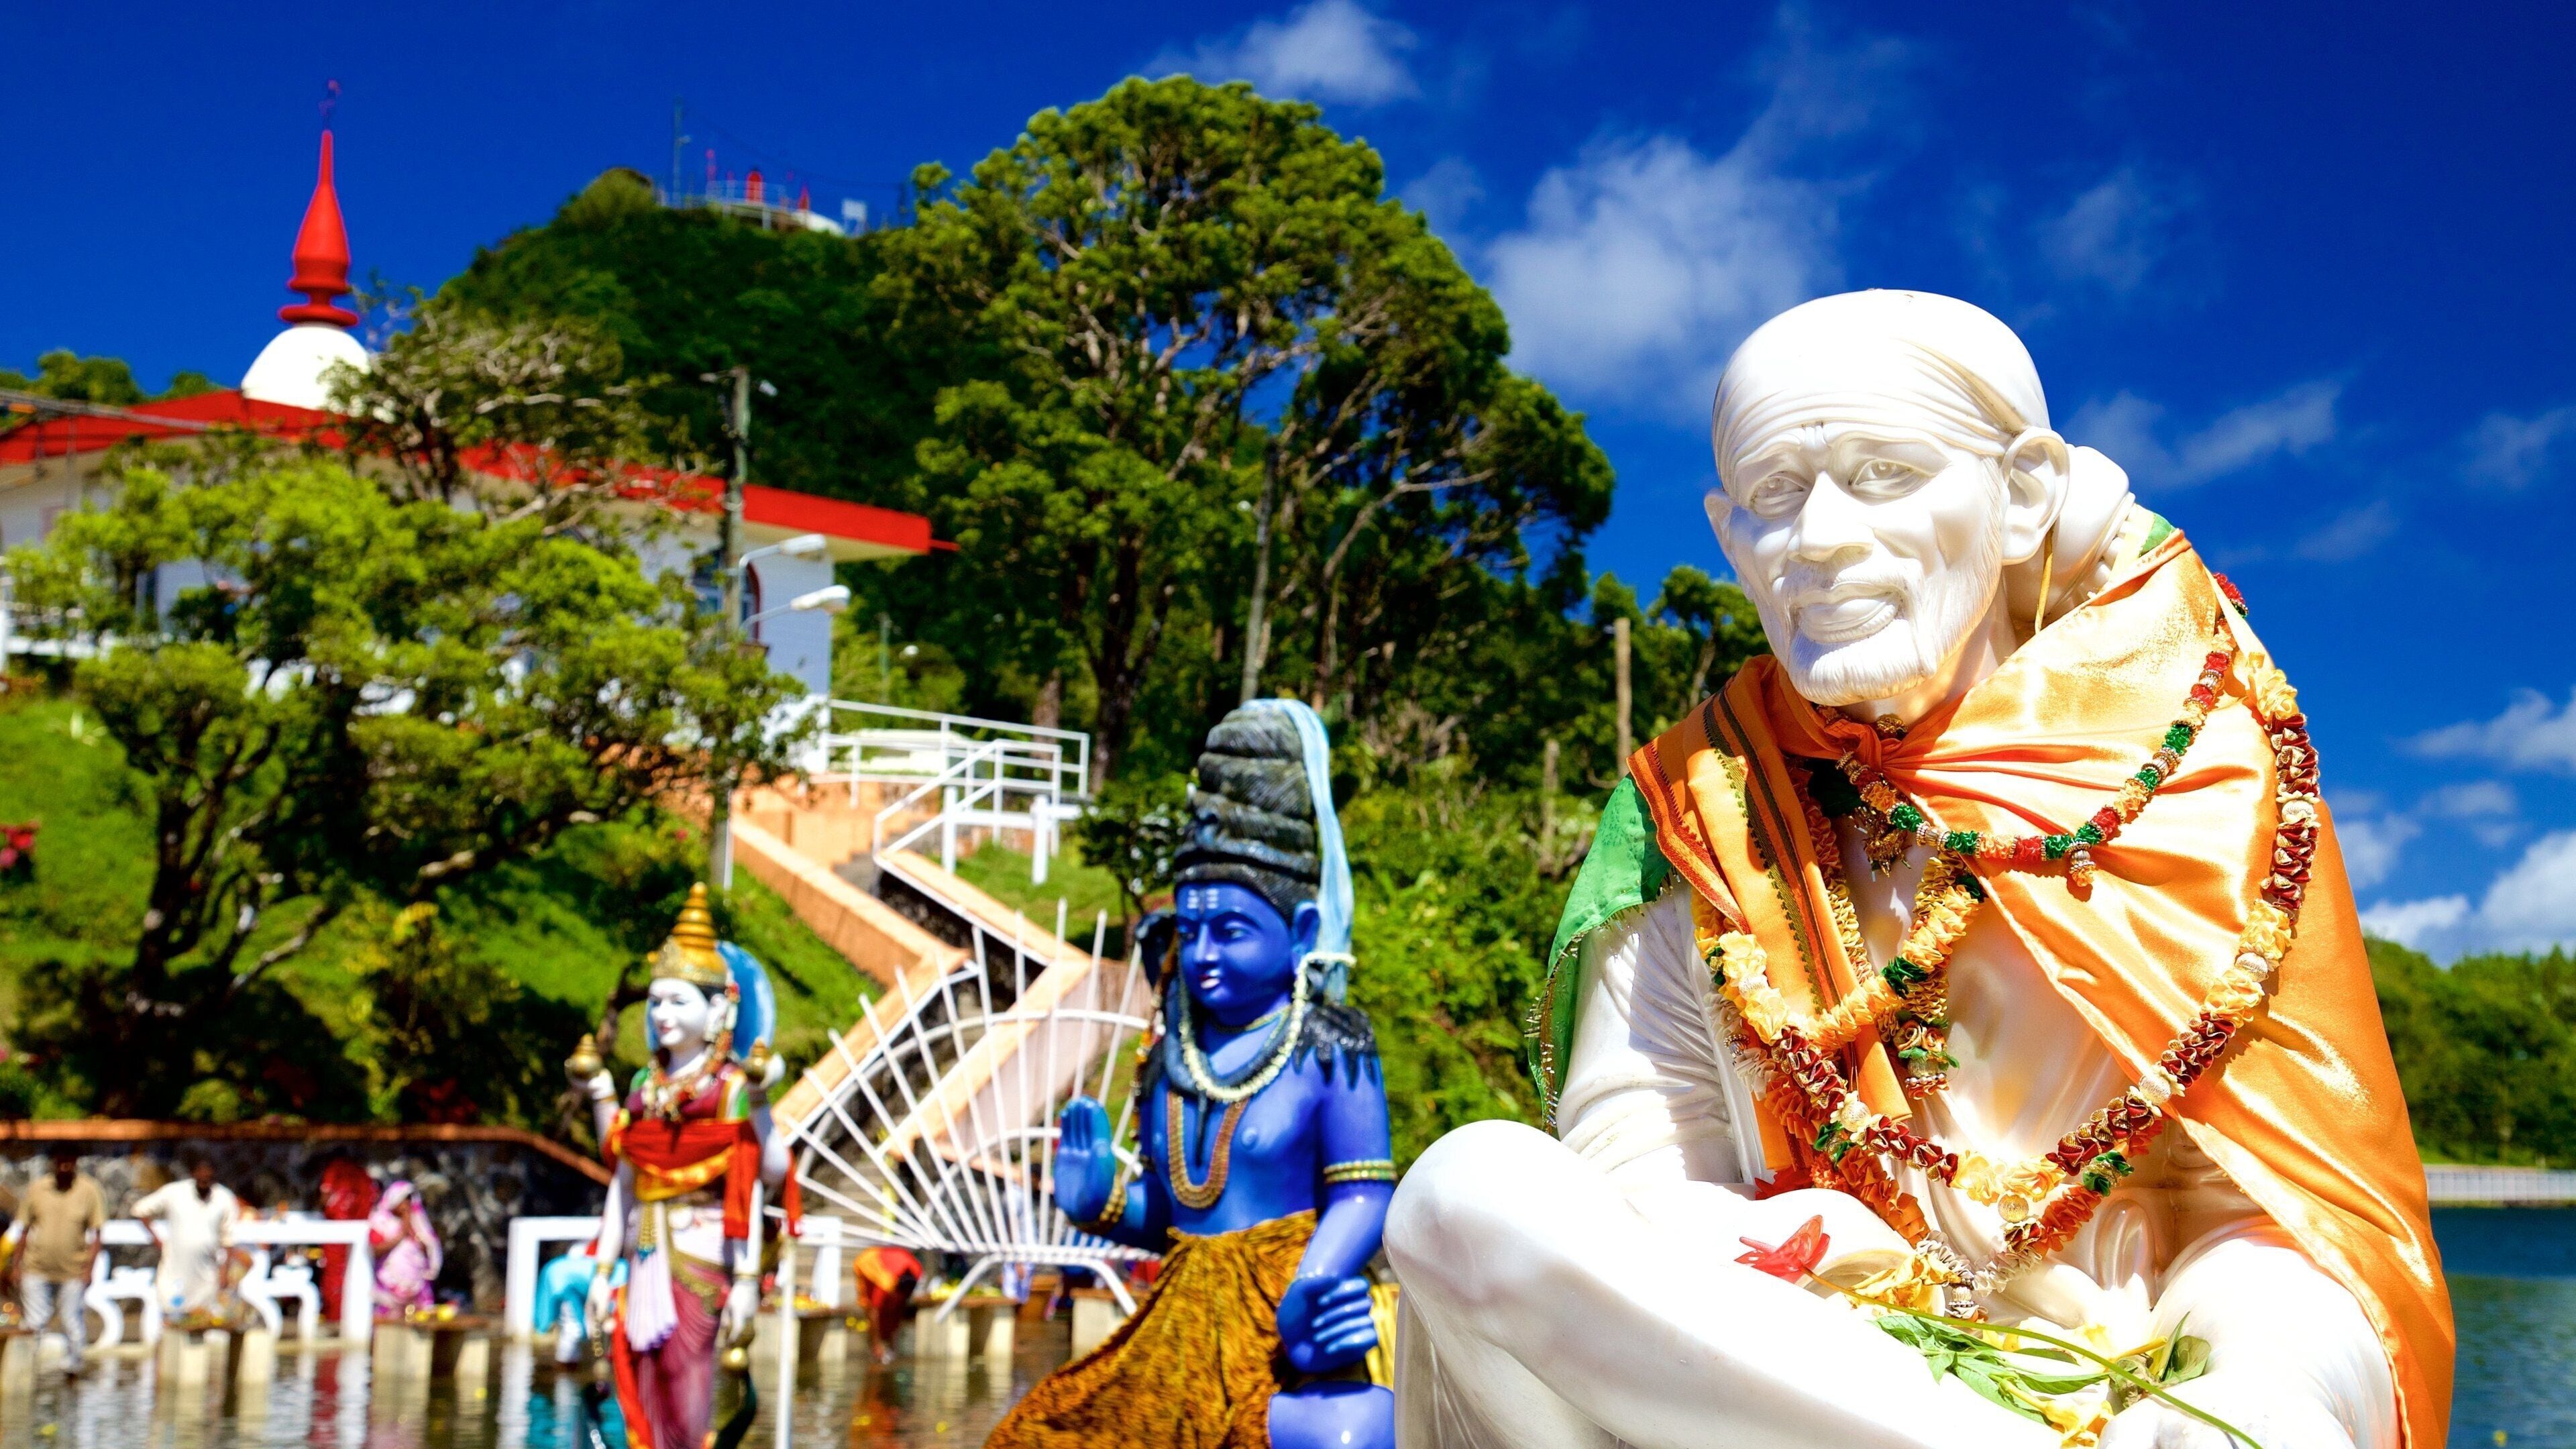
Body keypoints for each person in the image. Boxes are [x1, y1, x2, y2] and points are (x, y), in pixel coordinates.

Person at [1387, 290, 2451, 1449]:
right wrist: (1808, 1243)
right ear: (1730, 535)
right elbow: (1635, 1180)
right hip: (1797, 1357)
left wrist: (2261, 1384)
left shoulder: (2191, 776)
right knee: (1464, 1198)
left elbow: (2278, 1218)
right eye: (1775, 495)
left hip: (2128, 1365)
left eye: (1883, 475)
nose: (1820, 537)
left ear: (2024, 494)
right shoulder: (1703, 803)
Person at [988, 700, 1395, 1449]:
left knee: (1349, 1432)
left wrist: (1315, 1284)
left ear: (1301, 931)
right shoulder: (1173, 1057)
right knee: (1034, 1431)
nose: (1203, 955)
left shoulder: (1328, 1045)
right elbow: (1178, 1214)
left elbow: (1364, 1193)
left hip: (1292, 1322)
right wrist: (1103, 1203)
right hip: (1177, 1332)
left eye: (1231, 931)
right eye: (1190, 929)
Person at [576, 884, 795, 1449]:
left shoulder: (730, 1090)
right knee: (640, 1376)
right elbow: (624, 1179)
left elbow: (759, 1181)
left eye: (678, 1002)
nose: (663, 1015)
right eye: (656, 1003)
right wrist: (602, 1270)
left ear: (718, 1010)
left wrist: (746, 1283)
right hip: (643, 1252)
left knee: (687, 1378)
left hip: (704, 1253)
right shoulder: (644, 1088)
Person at [7, 1149, 105, 1375]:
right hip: (36, 1267)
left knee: (72, 1322)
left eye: (69, 1161)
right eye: (60, 1162)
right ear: (54, 1163)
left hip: (74, 1270)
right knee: (35, 1322)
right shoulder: (38, 1189)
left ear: (76, 1162)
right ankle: (27, 1372)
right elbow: (24, 1229)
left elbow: (97, 1234)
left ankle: (74, 1372)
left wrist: (89, 1270)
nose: (64, 1166)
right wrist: (16, 1266)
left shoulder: (89, 1190)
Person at [134, 1155, 243, 1321]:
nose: (204, 1178)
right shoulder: (175, 1192)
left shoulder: (224, 1198)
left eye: (208, 1176)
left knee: (205, 1316)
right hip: (176, 1267)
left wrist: (225, 1271)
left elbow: (229, 1239)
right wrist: (158, 1241)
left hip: (207, 1270)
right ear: (193, 1174)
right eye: (201, 1174)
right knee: (173, 1314)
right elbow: (140, 1210)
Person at [368, 1179, 443, 1318]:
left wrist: (415, 1233)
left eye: (410, 1199)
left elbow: (430, 1251)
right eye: (404, 1199)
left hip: (417, 1290)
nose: (407, 1203)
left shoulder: (418, 1223)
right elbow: (374, 1251)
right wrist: (401, 1235)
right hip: (387, 1291)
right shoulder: (380, 1222)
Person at [851, 1244, 922, 1365]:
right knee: (869, 1305)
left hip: (890, 1261)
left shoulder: (917, 1271)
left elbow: (899, 1308)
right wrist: (877, 1344)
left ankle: (889, 1345)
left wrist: (893, 1342)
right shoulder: (885, 1283)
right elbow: (873, 1312)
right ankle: (875, 1347)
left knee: (893, 1308)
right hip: (868, 1263)